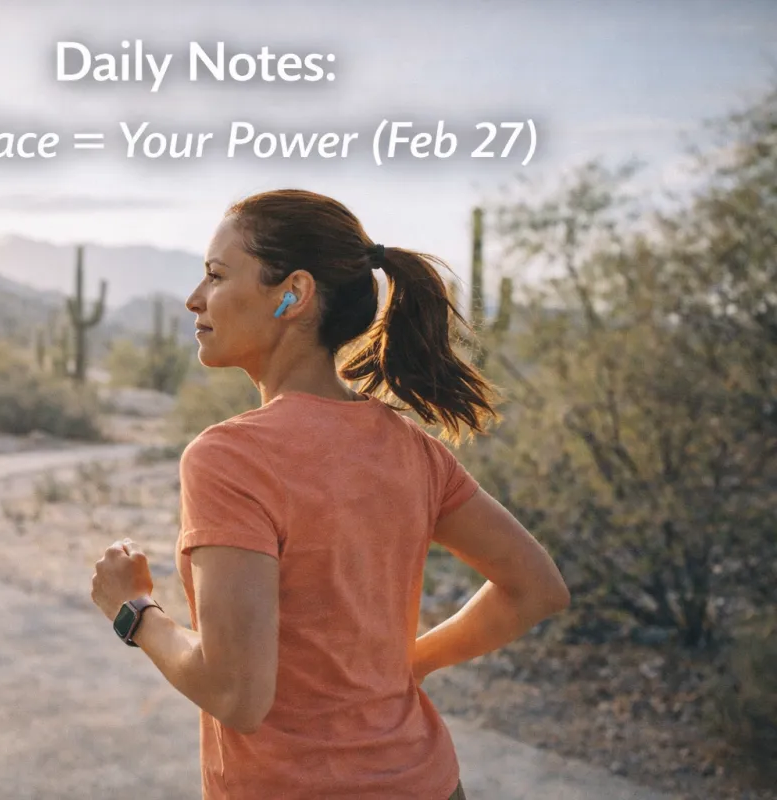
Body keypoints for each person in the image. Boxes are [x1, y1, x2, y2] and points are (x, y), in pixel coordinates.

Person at [90, 188, 571, 799]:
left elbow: (237, 695)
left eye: (215, 275)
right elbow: (537, 587)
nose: (194, 298)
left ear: (293, 293)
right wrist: (409, 665)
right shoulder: (413, 449)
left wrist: (134, 612)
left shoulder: (230, 458)